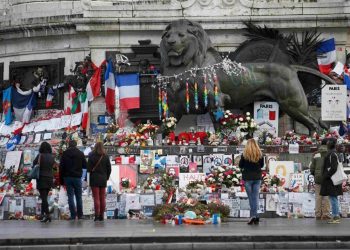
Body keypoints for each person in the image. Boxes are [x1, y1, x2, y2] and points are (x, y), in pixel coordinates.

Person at [60, 140, 87, 220]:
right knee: (79, 197)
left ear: (69, 145)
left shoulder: (65, 154)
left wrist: (61, 180)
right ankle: (80, 215)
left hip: (67, 178)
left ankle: (73, 215)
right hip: (77, 178)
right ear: (76, 145)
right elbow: (85, 165)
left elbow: (61, 167)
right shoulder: (80, 153)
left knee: (70, 197)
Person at [239, 139, 264, 225]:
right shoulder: (260, 154)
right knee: (256, 197)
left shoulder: (244, 155)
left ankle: (253, 216)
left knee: (251, 198)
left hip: (247, 178)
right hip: (257, 178)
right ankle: (255, 216)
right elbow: (262, 165)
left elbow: (240, 165)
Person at [320, 138, 343, 224]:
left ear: (330, 144)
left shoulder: (332, 154)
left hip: (331, 180)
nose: (327, 144)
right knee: (334, 198)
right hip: (333, 179)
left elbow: (333, 168)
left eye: (328, 142)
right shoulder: (333, 153)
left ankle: (335, 216)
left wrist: (326, 176)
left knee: (333, 198)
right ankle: (335, 216)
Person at [87, 142, 111, 221]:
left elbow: (89, 169)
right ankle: (101, 215)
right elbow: (109, 169)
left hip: (94, 179)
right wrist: (106, 177)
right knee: (102, 198)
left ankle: (96, 216)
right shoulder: (106, 156)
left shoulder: (92, 156)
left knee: (96, 198)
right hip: (103, 179)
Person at [33, 141, 55, 223]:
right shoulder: (51, 157)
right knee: (44, 198)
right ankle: (44, 215)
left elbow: (34, 164)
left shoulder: (40, 155)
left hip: (41, 178)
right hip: (49, 178)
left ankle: (48, 215)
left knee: (44, 198)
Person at [310, 138, 331, 220]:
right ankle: (326, 214)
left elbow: (312, 167)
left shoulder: (316, 154)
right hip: (327, 177)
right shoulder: (330, 153)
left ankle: (318, 214)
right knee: (326, 197)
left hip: (318, 178)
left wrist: (314, 174)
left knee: (318, 197)